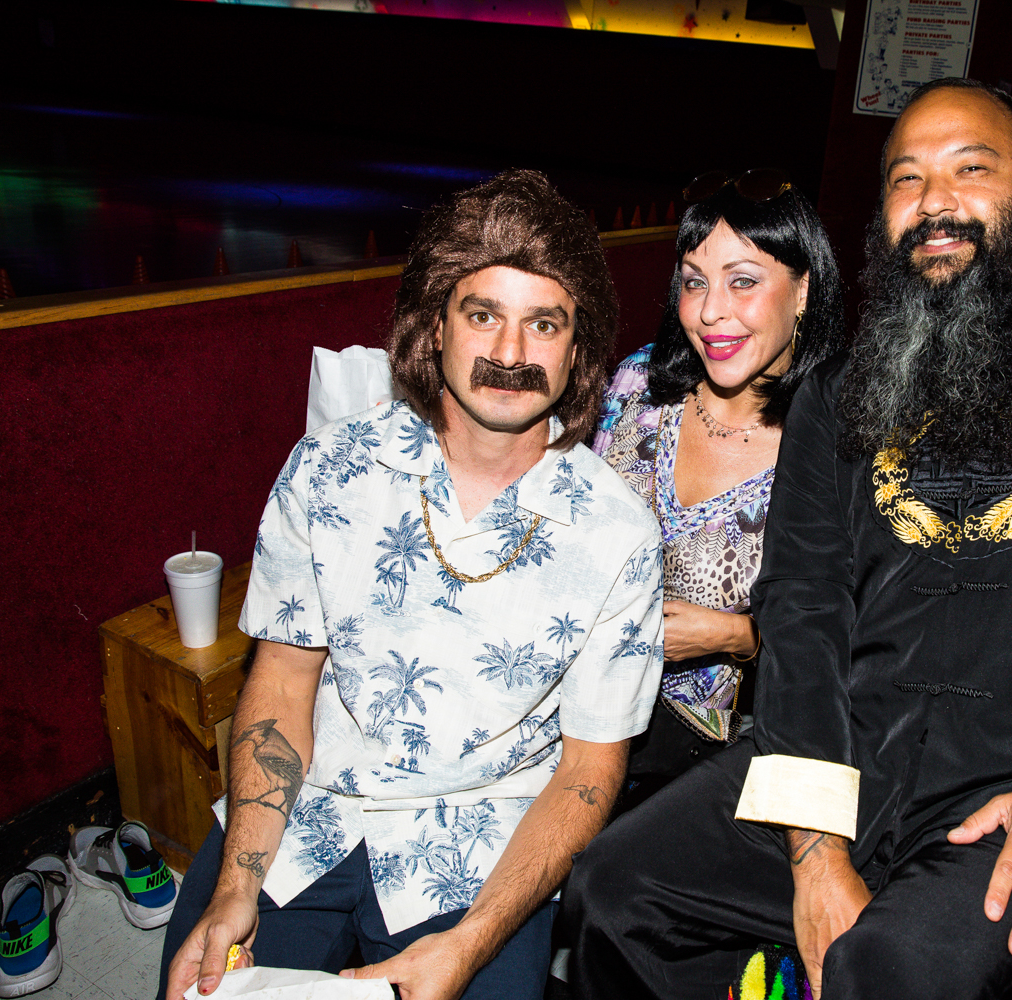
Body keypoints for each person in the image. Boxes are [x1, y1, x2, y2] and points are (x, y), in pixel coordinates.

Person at [563, 78, 1012, 1000]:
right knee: (616, 889)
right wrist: (816, 849)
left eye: (971, 169)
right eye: (907, 179)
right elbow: (804, 604)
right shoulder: (838, 393)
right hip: (847, 759)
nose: (935, 201)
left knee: (889, 968)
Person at [159, 170, 665, 1000]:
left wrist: (469, 944)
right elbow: (282, 680)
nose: (510, 354)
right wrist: (235, 885)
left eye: (544, 323)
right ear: (435, 324)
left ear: (579, 350)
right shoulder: (329, 468)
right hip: (309, 813)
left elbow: (587, 770)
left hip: (483, 846)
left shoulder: (619, 534)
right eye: (483, 315)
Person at [591, 173, 847, 804]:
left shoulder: (837, 445)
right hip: (573, 702)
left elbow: (862, 643)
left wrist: (738, 638)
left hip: (706, 762)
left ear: (804, 289)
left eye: (743, 281)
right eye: (694, 281)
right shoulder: (637, 386)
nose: (709, 311)